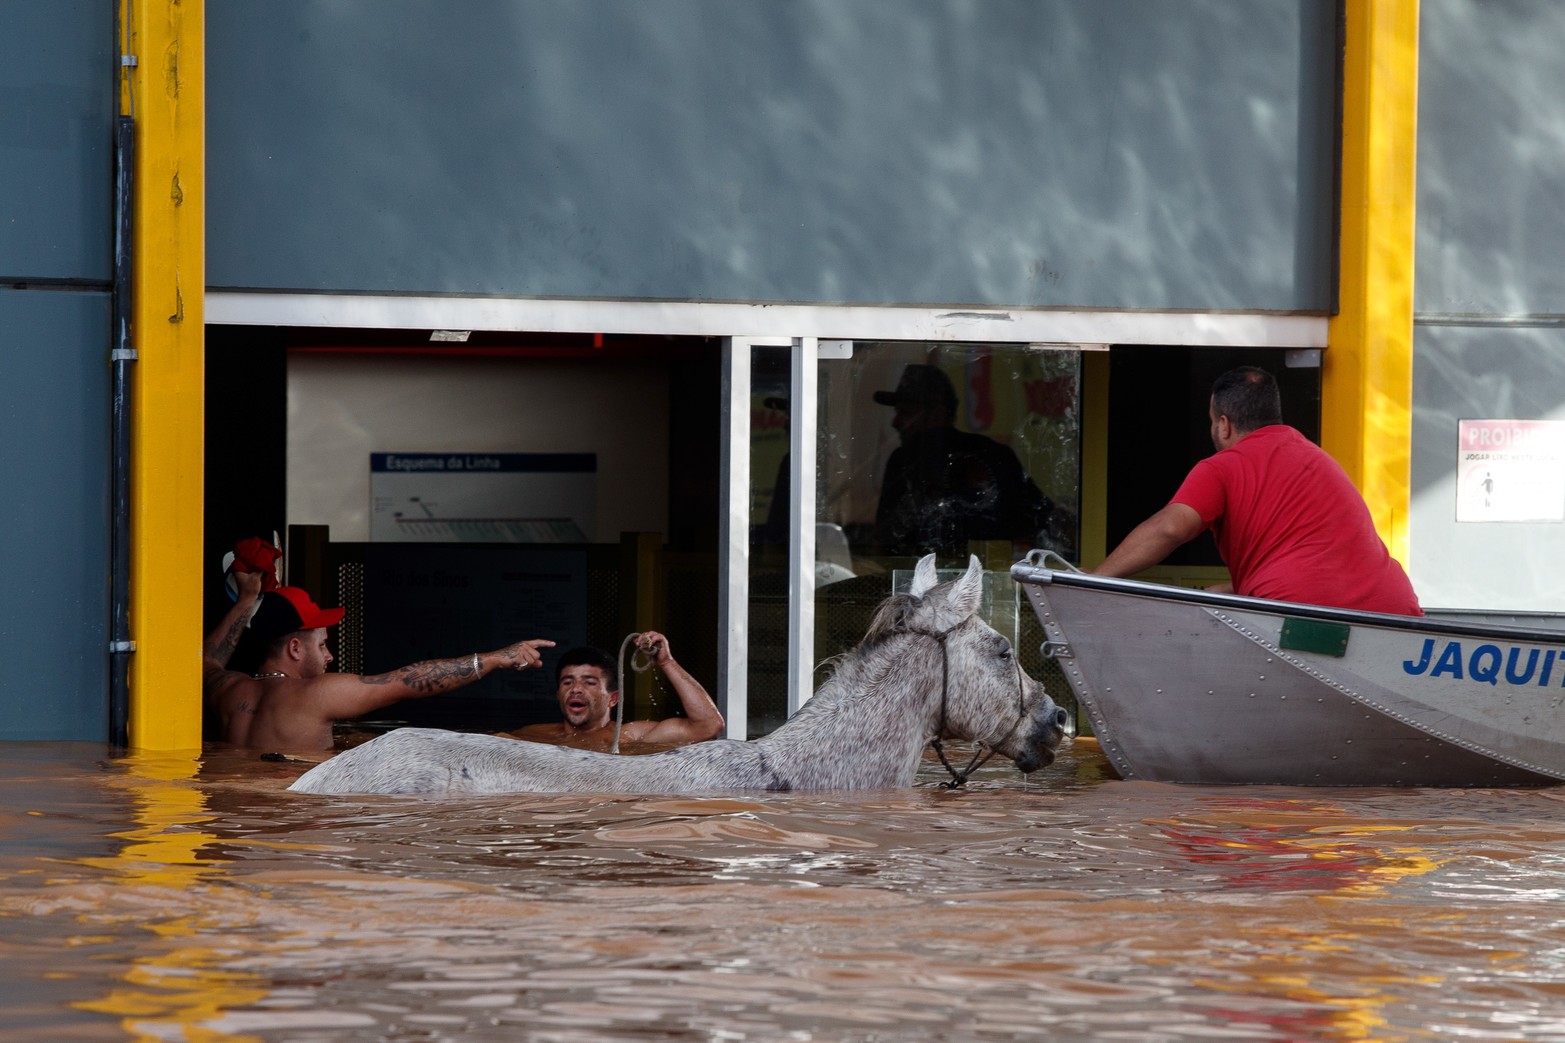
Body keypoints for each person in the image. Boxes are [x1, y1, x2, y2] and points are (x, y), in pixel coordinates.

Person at [1093, 365, 1422, 615]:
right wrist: (1239, 590)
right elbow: (1319, 559)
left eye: (1211, 421)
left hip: (1305, 622)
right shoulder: (1318, 460)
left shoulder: (1223, 466)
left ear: (1224, 424)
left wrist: (1096, 579)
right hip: (1394, 612)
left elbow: (1170, 528)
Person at [202, 571, 556, 751]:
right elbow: (408, 681)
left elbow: (206, 659)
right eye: (322, 645)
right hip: (296, 814)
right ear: (295, 648)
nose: (330, 656)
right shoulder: (317, 694)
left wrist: (245, 599)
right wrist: (495, 658)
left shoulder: (227, 690)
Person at [872, 363, 1069, 558]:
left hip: (983, 579)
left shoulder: (992, 456)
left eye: (905, 412)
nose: (895, 422)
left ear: (937, 414)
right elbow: (885, 539)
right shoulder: (904, 461)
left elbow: (1042, 521)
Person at [506, 633, 725, 749]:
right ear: (557, 695)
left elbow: (708, 725)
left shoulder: (631, 737)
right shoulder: (534, 734)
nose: (576, 690)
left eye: (589, 682)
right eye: (567, 682)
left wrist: (666, 662)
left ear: (613, 698)